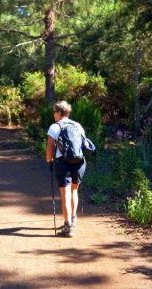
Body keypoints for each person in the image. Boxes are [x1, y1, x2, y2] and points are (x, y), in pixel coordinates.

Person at [46, 100, 86, 238]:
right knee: (74, 190)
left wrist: (48, 160)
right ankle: (73, 221)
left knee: (65, 194)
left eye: (54, 111)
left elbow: (50, 147)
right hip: (79, 162)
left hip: (63, 163)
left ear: (59, 112)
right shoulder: (77, 125)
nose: (53, 114)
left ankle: (67, 226)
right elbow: (83, 144)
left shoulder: (55, 127)